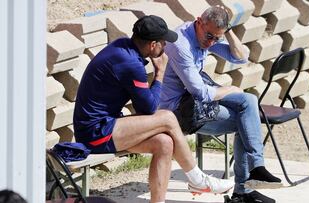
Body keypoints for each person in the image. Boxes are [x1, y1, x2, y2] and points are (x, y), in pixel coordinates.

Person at [73, 15, 234, 203]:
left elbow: (144, 108)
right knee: (167, 117)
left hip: (106, 125)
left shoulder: (124, 47)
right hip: (95, 133)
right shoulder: (130, 63)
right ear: (152, 45)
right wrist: (160, 73)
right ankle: (198, 179)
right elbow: (149, 108)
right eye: (163, 43)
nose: (166, 47)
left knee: (164, 143)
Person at [159, 6, 282, 203]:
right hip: (179, 111)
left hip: (197, 101)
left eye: (217, 38)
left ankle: (257, 168)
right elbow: (200, 91)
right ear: (199, 21)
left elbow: (241, 57)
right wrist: (231, 89)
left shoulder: (208, 34)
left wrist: (229, 30)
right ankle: (244, 191)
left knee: (249, 101)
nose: (211, 42)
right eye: (209, 36)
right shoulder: (181, 44)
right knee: (246, 122)